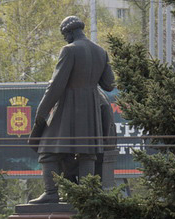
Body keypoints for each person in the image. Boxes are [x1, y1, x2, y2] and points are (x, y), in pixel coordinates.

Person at [28, 15, 115, 205]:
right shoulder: (101, 52)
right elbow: (109, 84)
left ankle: (51, 193)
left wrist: (42, 111)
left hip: (69, 106)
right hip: (92, 107)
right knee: (87, 151)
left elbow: (56, 85)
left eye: (64, 35)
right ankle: (86, 195)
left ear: (70, 31)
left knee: (47, 149)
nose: (64, 39)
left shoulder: (69, 50)